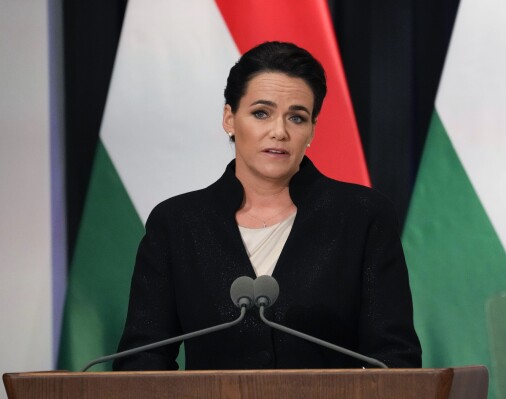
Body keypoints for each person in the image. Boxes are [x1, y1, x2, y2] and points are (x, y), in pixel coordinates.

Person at [113, 41, 421, 370]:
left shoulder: (362, 216)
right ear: (230, 118)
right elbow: (142, 361)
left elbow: (394, 359)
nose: (279, 132)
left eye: (297, 118)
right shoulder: (177, 224)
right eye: (261, 113)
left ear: (312, 130)